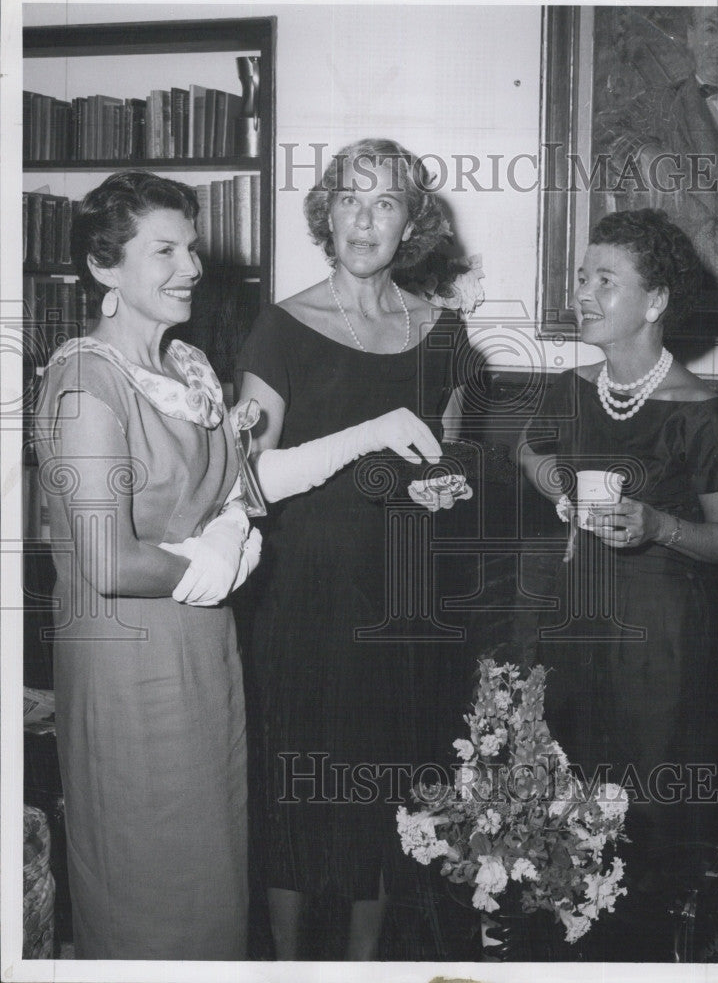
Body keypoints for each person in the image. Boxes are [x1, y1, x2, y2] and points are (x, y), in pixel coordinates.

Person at [33, 170, 440, 960]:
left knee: (214, 871)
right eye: (164, 251)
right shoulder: (84, 385)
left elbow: (242, 483)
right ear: (104, 269)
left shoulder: (185, 367)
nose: (189, 268)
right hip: (128, 666)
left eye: (191, 248)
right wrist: (217, 554)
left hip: (205, 655)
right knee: (148, 878)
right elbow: (108, 562)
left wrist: (368, 432)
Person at [236, 138, 475, 960]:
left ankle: (365, 968)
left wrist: (447, 489)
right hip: (302, 592)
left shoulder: (443, 332)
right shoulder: (283, 325)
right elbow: (252, 476)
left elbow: (441, 463)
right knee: (297, 780)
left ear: (412, 222)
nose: (364, 218)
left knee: (388, 779)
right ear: (326, 214)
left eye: (385, 202)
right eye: (348, 198)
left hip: (401, 593)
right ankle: (289, 964)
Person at [519, 208, 718, 959]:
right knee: (560, 804)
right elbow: (528, 449)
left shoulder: (700, 416)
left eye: (604, 280)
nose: (583, 292)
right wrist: (554, 477)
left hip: (662, 648)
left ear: (654, 303)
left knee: (642, 824)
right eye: (583, 276)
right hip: (575, 625)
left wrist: (657, 527)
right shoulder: (570, 388)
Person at [595, 6, 718, 292]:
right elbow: (600, 132)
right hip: (697, 282)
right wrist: (643, 149)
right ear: (690, 35)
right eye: (710, 29)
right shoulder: (660, 103)